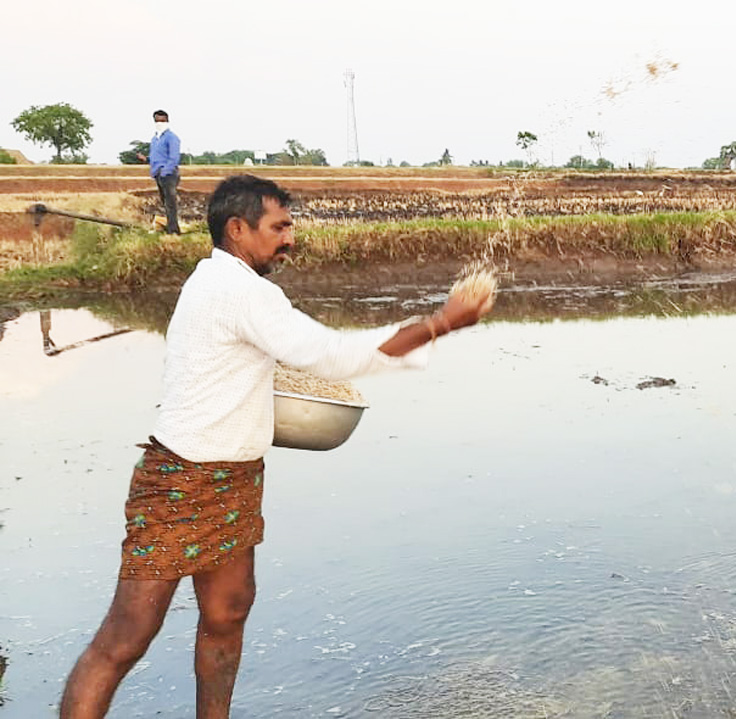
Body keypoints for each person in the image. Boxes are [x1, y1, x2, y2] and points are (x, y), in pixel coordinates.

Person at [58, 174, 493, 718]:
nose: (290, 238)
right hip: (181, 483)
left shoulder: (224, 283)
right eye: (280, 227)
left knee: (228, 615)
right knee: (125, 637)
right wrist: (442, 322)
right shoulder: (238, 291)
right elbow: (335, 358)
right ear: (238, 229)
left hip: (233, 478)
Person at [148, 110, 181, 234]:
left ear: (167, 121)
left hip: (168, 174)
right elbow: (154, 157)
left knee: (170, 203)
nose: (159, 123)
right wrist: (147, 161)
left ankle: (174, 230)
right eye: (157, 120)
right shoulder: (155, 139)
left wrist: (165, 171)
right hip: (158, 173)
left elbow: (174, 158)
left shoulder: (172, 138)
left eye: (162, 121)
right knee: (165, 203)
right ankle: (170, 226)